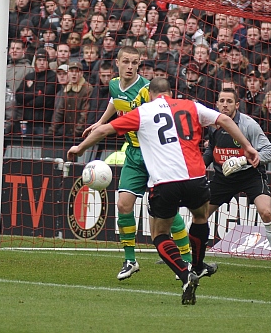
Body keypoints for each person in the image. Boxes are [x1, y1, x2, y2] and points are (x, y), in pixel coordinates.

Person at [69, 77, 259, 305]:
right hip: (196, 178)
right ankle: (197, 266)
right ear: (170, 93)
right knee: (200, 217)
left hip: (165, 182)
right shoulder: (191, 105)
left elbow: (105, 130)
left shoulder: (143, 112)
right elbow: (225, 120)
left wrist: (80, 148)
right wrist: (247, 146)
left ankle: (184, 273)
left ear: (150, 95)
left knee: (160, 234)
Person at [82, 46, 192, 280]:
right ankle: (130, 260)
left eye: (135, 63)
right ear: (118, 63)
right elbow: (115, 100)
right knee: (123, 205)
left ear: (139, 64)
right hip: (133, 154)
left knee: (166, 212)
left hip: (154, 155)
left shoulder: (145, 90)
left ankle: (188, 260)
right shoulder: (113, 84)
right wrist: (100, 122)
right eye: (126, 62)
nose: (130, 67)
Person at [204, 88, 271, 272]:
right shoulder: (213, 124)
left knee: (266, 212)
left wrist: (243, 159)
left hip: (250, 175)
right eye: (222, 101)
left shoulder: (249, 125)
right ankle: (184, 254)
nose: (225, 104)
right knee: (200, 214)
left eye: (229, 101)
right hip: (223, 178)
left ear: (236, 105)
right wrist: (201, 164)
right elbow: (211, 149)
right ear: (217, 104)